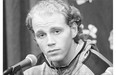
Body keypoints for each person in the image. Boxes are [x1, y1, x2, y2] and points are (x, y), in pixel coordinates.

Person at [23, 0, 112, 75]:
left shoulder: (98, 69)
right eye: (41, 35)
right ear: (35, 39)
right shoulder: (31, 70)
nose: (50, 42)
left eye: (57, 32)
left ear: (73, 29)